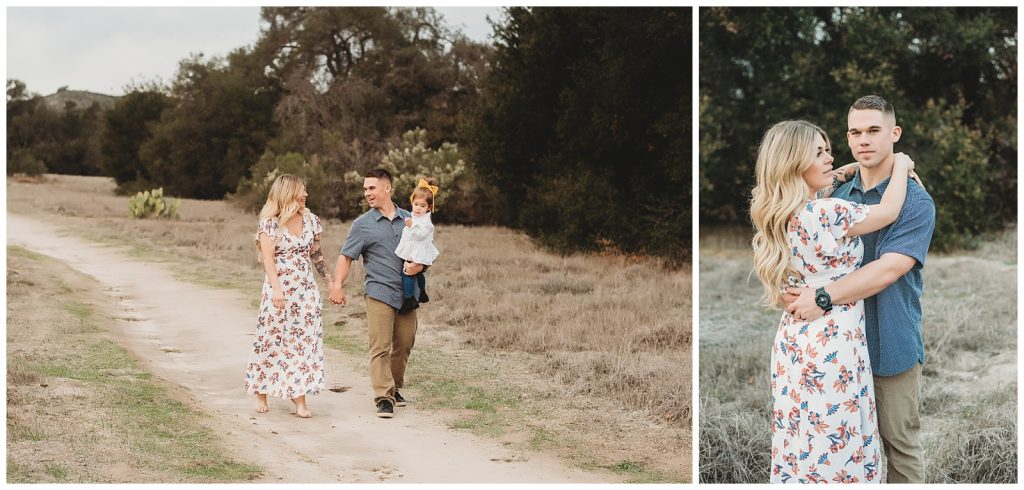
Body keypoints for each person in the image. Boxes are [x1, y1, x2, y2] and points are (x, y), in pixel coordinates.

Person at [750, 119, 916, 483]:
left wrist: (846, 170)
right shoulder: (825, 212)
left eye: (828, 150)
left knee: (804, 442)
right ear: (793, 162)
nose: (830, 158)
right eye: (818, 153)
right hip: (833, 340)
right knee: (839, 446)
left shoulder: (780, 213)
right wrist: (902, 164)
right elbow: (889, 210)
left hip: (795, 342)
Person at [784, 96, 936, 483]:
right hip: (835, 347)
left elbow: (888, 270)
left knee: (900, 446)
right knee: (838, 451)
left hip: (889, 341)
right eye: (854, 132)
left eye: (873, 130)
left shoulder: (915, 201)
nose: (863, 140)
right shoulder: (834, 196)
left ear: (894, 134)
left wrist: (822, 296)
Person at [328, 169, 423, 418]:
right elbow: (346, 257)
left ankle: (395, 386)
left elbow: (425, 251)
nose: (367, 193)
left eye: (371, 188)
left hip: (408, 292)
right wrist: (337, 285)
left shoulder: (411, 219)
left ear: (387, 188)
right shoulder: (362, 225)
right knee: (380, 346)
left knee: (404, 343)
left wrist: (420, 266)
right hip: (379, 291)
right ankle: (384, 397)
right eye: (365, 189)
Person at [244, 174, 331, 418]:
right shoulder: (270, 224)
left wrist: (330, 283)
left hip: (305, 290)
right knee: (271, 339)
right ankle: (261, 389)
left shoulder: (311, 220)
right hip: (279, 290)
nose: (306, 195)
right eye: (301, 191)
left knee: (303, 342)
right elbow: (268, 259)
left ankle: (299, 397)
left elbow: (317, 255)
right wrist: (277, 289)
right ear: (288, 194)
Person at [394, 178, 440, 313]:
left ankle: (410, 299)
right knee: (418, 274)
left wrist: (411, 226)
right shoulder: (416, 216)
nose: (418, 208)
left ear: (429, 207)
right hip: (415, 248)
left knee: (407, 272)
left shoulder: (426, 222)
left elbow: (419, 235)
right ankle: (422, 292)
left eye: (422, 206)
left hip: (417, 250)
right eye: (416, 204)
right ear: (412, 203)